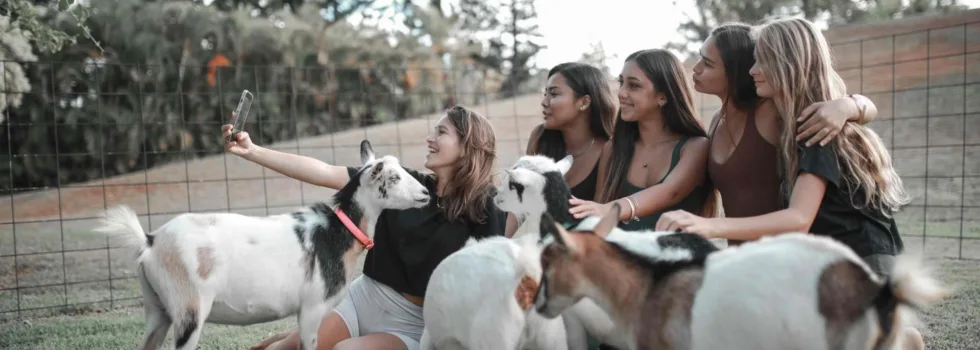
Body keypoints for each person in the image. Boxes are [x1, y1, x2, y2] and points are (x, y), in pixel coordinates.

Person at [655, 17, 921, 348]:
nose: (754, 69)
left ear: (789, 64)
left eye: (763, 59)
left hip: (861, 261)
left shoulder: (814, 129)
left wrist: (709, 227)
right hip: (828, 263)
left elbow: (798, 219)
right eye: (753, 59)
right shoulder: (793, 123)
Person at [232, 105, 507, 350]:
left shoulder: (487, 208)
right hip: (364, 297)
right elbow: (325, 172)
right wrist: (253, 151)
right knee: (294, 345)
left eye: (441, 132)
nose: (430, 139)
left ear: (466, 145)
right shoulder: (399, 182)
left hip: (412, 324)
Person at [689, 22, 881, 246]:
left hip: (782, 254)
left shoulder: (771, 112)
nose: (696, 68)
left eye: (708, 64)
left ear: (736, 70)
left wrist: (850, 105)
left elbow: (815, 99)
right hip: (740, 255)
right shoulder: (716, 121)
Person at [568, 49, 716, 231]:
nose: (621, 93)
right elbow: (601, 218)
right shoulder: (613, 148)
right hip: (621, 256)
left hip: (679, 257)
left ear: (663, 96)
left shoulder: (695, 147)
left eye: (634, 85)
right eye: (621, 83)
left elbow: (670, 192)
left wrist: (607, 209)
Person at [506, 62, 618, 236]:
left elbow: (598, 223)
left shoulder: (608, 149)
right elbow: (519, 203)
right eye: (545, 94)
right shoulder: (541, 138)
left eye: (554, 94)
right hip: (543, 247)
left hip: (584, 250)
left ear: (584, 102)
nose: (544, 102)